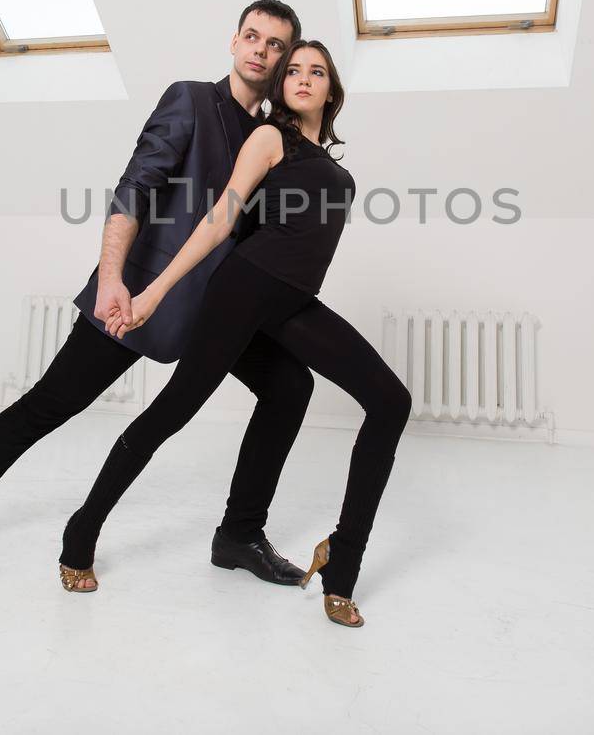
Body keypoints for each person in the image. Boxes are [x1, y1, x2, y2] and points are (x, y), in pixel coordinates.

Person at [0, 0, 317, 590]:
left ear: (286, 59)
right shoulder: (191, 100)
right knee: (50, 404)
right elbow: (135, 187)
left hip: (222, 308)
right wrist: (111, 278)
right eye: (252, 37)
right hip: (140, 294)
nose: (261, 50)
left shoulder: (275, 137)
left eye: (276, 45)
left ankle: (240, 535)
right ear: (233, 42)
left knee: (290, 385)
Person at [57, 39, 412, 628]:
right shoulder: (272, 139)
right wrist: (152, 292)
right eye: (292, 70)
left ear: (332, 89)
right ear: (281, 86)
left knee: (387, 400)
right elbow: (221, 216)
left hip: (292, 302)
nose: (301, 78)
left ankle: (337, 562)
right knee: (172, 412)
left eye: (315, 71)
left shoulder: (334, 167)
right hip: (242, 290)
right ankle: (82, 528)